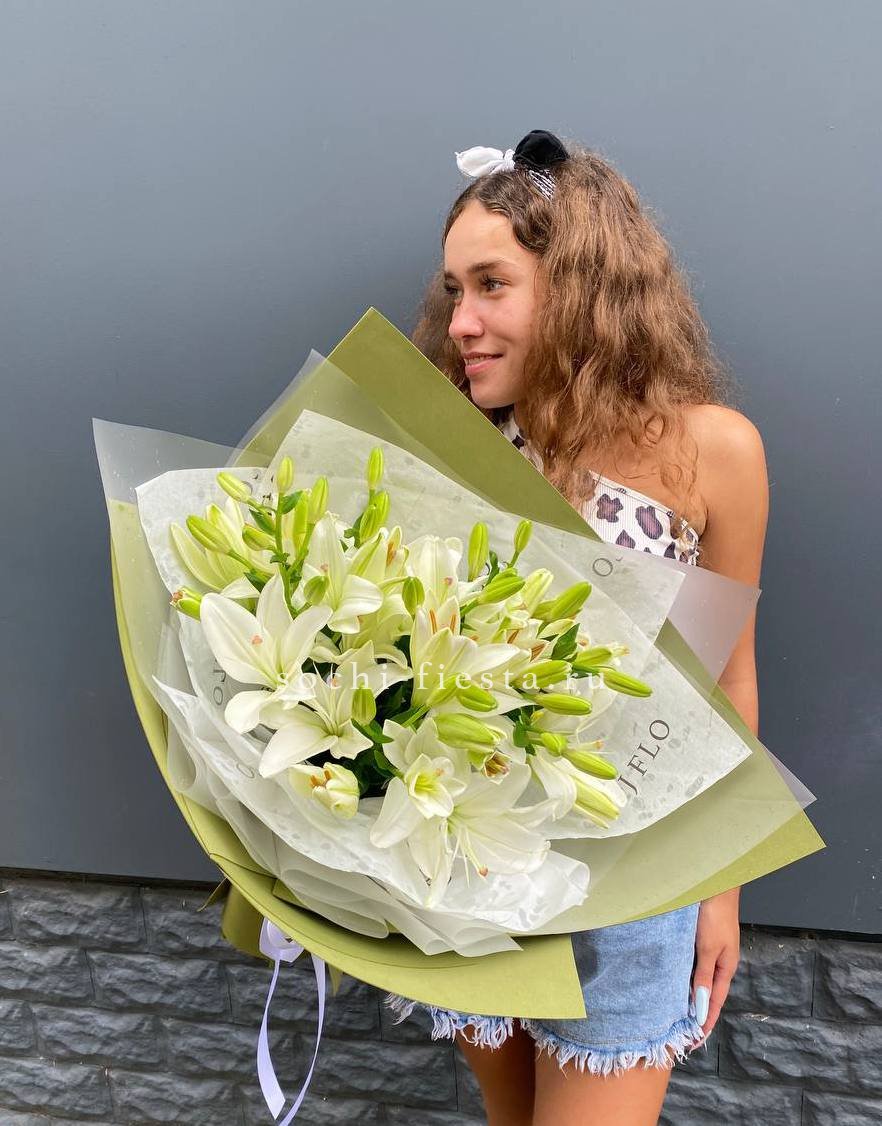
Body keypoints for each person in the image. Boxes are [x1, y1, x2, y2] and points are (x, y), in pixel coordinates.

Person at [383, 130, 769, 1126]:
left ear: (581, 287)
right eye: (454, 290)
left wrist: (720, 891)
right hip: (479, 858)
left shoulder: (713, 453)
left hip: (640, 874)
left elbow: (727, 681)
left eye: (491, 285)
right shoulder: (463, 443)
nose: (460, 322)